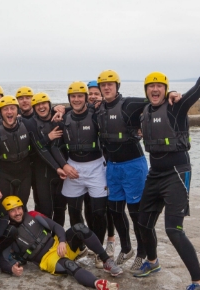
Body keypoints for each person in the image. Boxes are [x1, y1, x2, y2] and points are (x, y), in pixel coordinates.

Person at [134, 36, 200, 290]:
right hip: (155, 173)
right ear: (146, 91)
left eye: (160, 86)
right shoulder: (144, 111)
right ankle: (152, 261)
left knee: (174, 229)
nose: (155, 89)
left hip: (176, 173)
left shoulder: (177, 107)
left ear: (166, 89)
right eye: (151, 86)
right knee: (142, 222)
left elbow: (199, 89)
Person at [96, 70, 182, 271]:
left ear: (117, 86)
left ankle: (143, 253)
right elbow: (77, 111)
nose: (107, 88)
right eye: (103, 85)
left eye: (111, 84)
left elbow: (155, 99)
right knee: (115, 210)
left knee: (137, 214)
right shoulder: (98, 109)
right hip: (113, 167)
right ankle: (126, 248)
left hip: (133, 164)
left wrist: (172, 94)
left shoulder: (129, 104)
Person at [0, 196, 121, 290]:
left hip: (59, 246)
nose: (17, 213)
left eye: (19, 208)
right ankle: (97, 283)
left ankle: (106, 261)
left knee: (79, 228)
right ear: (6, 214)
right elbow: (2, 261)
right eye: (12, 211)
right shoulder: (8, 233)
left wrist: (62, 241)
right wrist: (11, 269)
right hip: (48, 260)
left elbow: (56, 227)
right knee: (69, 265)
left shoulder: (32, 215)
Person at [0, 96, 66, 210]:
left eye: (12, 108)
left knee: (20, 208)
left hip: (24, 175)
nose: (9, 112)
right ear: (0, 112)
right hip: (4, 175)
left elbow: (39, 148)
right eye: (5, 109)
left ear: (17, 111)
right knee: (3, 210)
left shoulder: (27, 124)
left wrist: (57, 168)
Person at [51, 81, 108, 245]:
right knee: (74, 212)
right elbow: (54, 147)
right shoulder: (64, 119)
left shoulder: (96, 116)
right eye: (73, 97)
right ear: (69, 99)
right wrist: (64, 165)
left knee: (98, 212)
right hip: (72, 167)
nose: (76, 100)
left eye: (80, 96)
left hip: (96, 167)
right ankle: (81, 245)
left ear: (85, 98)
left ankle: (99, 249)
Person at [83, 80, 116, 267]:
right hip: (90, 166)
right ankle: (95, 241)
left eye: (97, 93)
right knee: (90, 205)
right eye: (91, 93)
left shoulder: (107, 110)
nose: (93, 96)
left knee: (106, 206)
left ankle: (110, 241)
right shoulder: (86, 111)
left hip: (106, 163)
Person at [30, 92, 67, 226]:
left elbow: (78, 109)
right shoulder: (31, 123)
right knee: (45, 210)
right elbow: (37, 147)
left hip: (62, 172)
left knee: (60, 209)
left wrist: (63, 108)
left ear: (49, 105)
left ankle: (58, 242)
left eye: (44, 103)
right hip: (43, 172)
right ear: (33, 108)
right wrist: (48, 138)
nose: (41, 107)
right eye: (37, 105)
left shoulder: (60, 118)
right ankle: (44, 242)